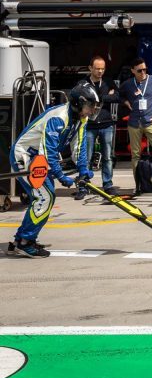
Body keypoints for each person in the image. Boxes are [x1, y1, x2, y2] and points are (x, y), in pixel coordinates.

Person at [7, 83, 98, 258]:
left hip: (39, 158)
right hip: (25, 156)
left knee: (46, 196)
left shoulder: (81, 118)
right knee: (45, 196)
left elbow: (79, 146)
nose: (92, 111)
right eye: (89, 106)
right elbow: (49, 151)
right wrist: (61, 176)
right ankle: (25, 242)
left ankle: (22, 239)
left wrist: (83, 170)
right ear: (78, 103)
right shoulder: (59, 118)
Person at [120, 57, 152, 190]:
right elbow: (119, 95)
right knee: (135, 155)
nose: (143, 72)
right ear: (133, 71)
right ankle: (138, 184)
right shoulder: (128, 84)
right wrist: (125, 103)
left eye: (144, 69)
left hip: (151, 122)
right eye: (139, 70)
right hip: (134, 123)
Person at [75, 56, 120, 199]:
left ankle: (108, 184)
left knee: (108, 157)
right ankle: (84, 185)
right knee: (85, 157)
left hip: (106, 123)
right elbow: (76, 98)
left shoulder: (108, 81)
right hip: (89, 125)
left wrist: (98, 98)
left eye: (102, 68)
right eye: (97, 68)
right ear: (90, 68)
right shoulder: (83, 83)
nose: (100, 71)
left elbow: (117, 97)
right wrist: (105, 96)